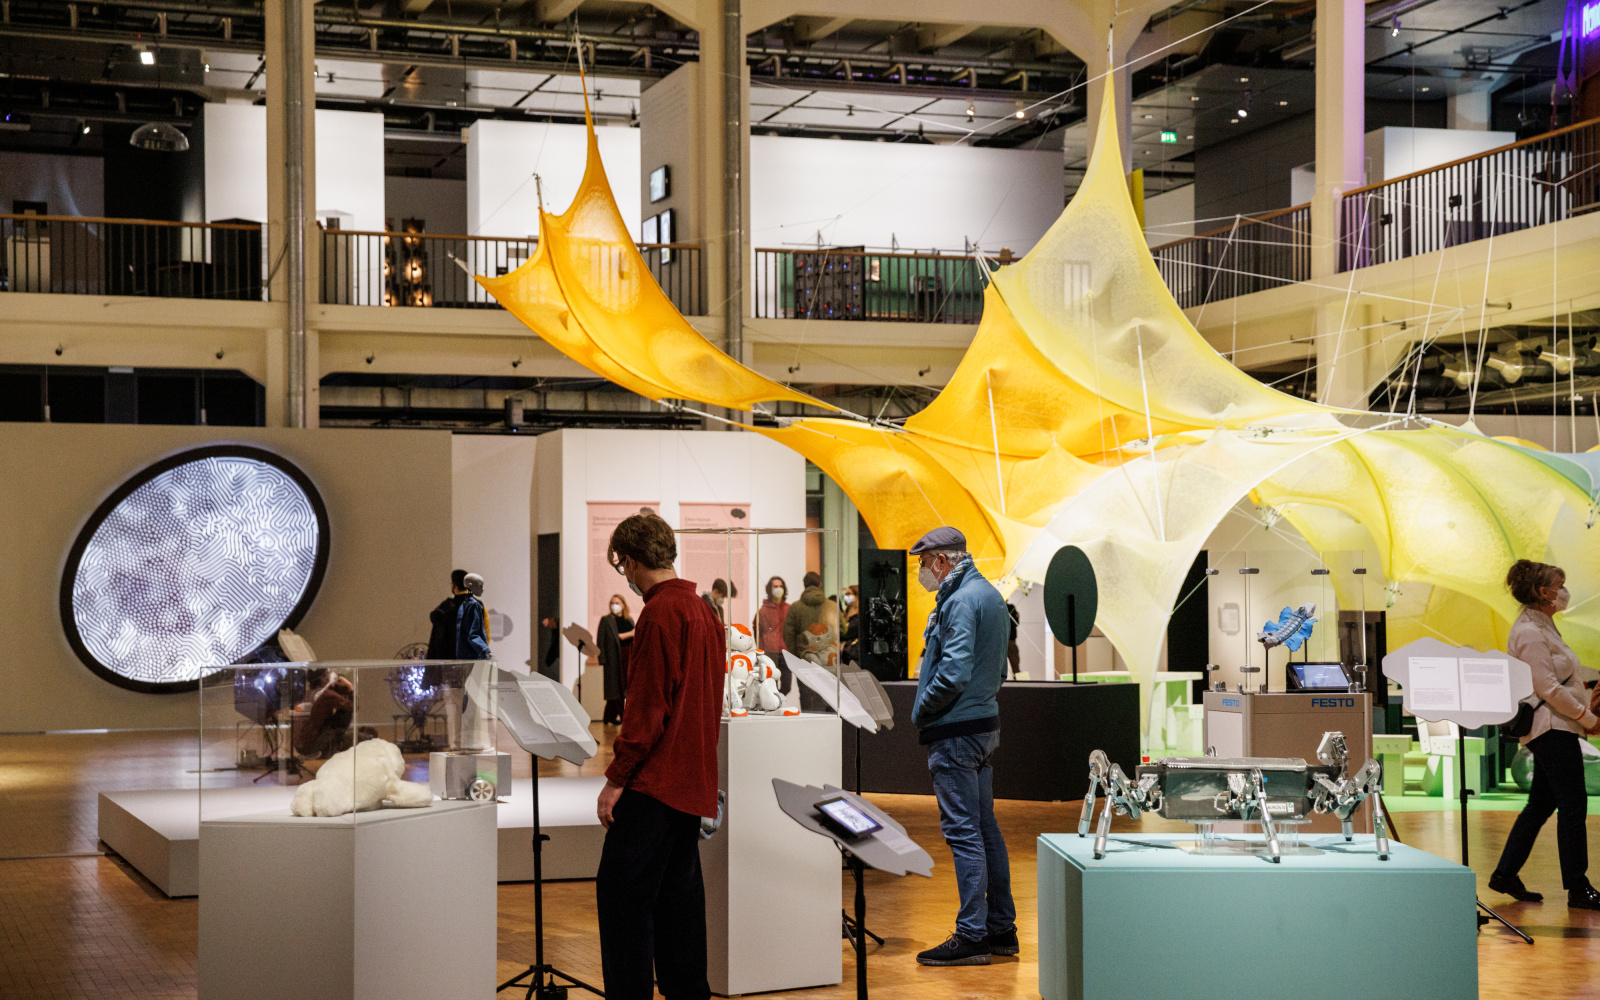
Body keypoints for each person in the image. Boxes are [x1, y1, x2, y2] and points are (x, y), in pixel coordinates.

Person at [595, 512, 722, 1000]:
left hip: (656, 785)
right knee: (679, 908)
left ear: (628, 560)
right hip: (691, 786)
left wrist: (615, 779)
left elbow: (647, 708)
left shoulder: (660, 612)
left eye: (621, 565)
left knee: (622, 900)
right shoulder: (702, 609)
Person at [907, 526, 1016, 967]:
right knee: (984, 827)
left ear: (940, 561)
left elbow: (951, 673)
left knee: (963, 832)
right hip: (982, 725)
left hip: (955, 731)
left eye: (922, 563)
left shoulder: (961, 600)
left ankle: (971, 935)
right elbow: (1000, 669)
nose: (920, 573)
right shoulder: (986, 594)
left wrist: (923, 708)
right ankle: (1001, 929)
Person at [1490, 559, 1600, 910]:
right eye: (1559, 583)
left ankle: (1505, 874)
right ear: (1544, 592)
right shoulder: (1530, 632)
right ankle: (1577, 887)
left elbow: (1557, 679)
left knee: (1541, 805)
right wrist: (1587, 718)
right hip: (1551, 728)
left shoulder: (1543, 625)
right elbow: (1548, 687)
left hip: (1557, 726)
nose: (1564, 590)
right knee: (1573, 806)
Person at [597, 594, 636, 726]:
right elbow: (601, 640)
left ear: (623, 605)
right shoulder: (606, 620)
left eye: (617, 602)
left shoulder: (629, 620)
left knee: (622, 688)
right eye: (612, 602)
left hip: (627, 657)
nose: (614, 605)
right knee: (616, 689)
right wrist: (602, 659)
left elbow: (635, 638)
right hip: (613, 658)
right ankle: (624, 718)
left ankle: (609, 717)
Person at [754, 576, 790, 657]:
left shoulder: (789, 609)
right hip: (769, 652)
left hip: (786, 652)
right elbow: (757, 631)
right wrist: (761, 649)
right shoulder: (763, 611)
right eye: (775, 586)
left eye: (781, 586)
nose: (779, 589)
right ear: (770, 589)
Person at [840, 585, 861, 665]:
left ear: (856, 596)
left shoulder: (859, 617)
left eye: (849, 594)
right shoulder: (845, 614)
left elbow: (845, 632)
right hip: (846, 655)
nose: (846, 596)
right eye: (845, 594)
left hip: (854, 655)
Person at [1004, 601, 1021, 679]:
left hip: (1004, 640)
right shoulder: (1011, 607)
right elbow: (1016, 622)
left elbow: (1016, 622)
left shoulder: (1010, 607)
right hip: (1009, 640)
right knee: (1015, 665)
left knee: (1015, 665)